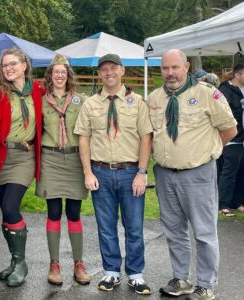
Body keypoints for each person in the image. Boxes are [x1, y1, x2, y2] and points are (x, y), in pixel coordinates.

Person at [148, 49, 237, 300]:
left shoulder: (208, 94)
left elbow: (230, 130)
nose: (170, 73)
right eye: (165, 68)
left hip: (198, 174)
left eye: (175, 67)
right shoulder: (154, 98)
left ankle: (206, 283)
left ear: (186, 66)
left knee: (204, 232)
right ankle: (181, 279)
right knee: (174, 231)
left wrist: (206, 150)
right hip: (165, 175)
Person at [74, 54, 153, 295]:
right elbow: (83, 138)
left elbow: (146, 137)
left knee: (134, 226)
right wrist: (88, 172)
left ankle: (136, 274)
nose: (108, 73)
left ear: (122, 71)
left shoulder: (137, 101)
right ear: (99, 74)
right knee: (105, 226)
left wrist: (141, 172)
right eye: (104, 69)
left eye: (113, 68)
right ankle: (111, 272)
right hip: (101, 172)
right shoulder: (90, 104)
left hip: (130, 173)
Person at [0, 48, 43, 287]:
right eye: (4, 65)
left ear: (24, 65)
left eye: (13, 64)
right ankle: (15, 262)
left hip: (23, 157)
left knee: (10, 206)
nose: (8, 69)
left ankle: (21, 263)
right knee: (6, 212)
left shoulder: (38, 90)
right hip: (0, 156)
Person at [36, 54, 90, 286]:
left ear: (69, 76)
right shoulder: (40, 100)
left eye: (64, 71)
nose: (59, 75)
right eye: (55, 71)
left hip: (75, 159)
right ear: (50, 75)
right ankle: (55, 263)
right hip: (51, 158)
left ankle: (79, 263)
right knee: (54, 211)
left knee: (75, 212)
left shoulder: (82, 99)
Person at [217, 64, 244, 217]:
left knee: (241, 172)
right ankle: (223, 204)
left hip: (243, 140)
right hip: (232, 139)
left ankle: (237, 201)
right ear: (238, 75)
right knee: (229, 173)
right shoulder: (225, 91)